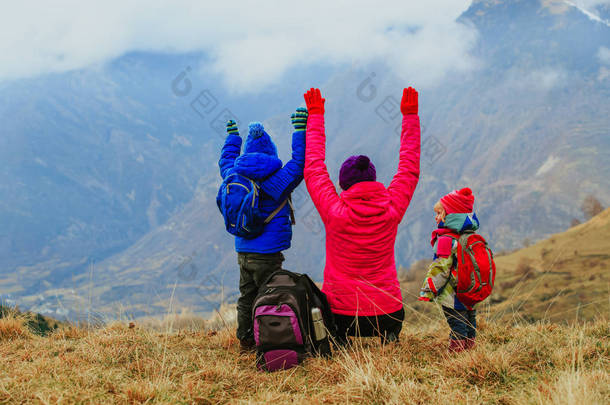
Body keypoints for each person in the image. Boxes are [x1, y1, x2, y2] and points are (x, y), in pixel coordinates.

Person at [302, 87, 420, 343]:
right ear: (374, 179)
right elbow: (409, 167)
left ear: (343, 185)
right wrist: (410, 116)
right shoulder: (391, 208)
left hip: (342, 315)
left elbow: (313, 168)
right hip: (388, 313)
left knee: (331, 317)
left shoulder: (334, 211)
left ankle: (342, 340)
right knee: (390, 317)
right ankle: (389, 336)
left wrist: (316, 115)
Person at [218, 109, 307, 352]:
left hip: (243, 249)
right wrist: (300, 129)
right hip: (268, 252)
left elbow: (225, 161)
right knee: (270, 296)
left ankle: (246, 339)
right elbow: (299, 163)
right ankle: (268, 338)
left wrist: (233, 138)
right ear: (272, 151)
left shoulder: (234, 175)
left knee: (246, 296)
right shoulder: (279, 179)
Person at [418, 188, 479, 352]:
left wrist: (428, 290)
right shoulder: (470, 236)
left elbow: (440, 268)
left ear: (451, 215)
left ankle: (457, 355)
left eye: (439, 213)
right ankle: (470, 352)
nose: (436, 217)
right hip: (471, 292)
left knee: (457, 325)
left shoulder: (446, 239)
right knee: (469, 322)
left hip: (453, 296)